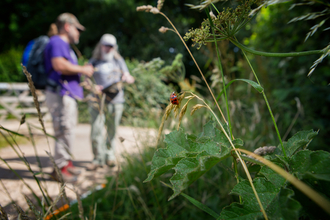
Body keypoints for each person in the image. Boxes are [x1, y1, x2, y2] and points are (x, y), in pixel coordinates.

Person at [44, 13, 94, 183]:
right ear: (67, 26)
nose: (79, 32)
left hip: (66, 94)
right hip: (60, 94)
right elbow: (59, 65)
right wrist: (83, 70)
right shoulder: (58, 42)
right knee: (63, 130)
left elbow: (68, 69)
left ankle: (66, 164)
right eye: (77, 29)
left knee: (68, 130)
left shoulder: (65, 46)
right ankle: (59, 169)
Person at [86, 34, 134, 171]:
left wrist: (127, 77)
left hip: (115, 100)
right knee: (96, 129)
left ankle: (110, 156)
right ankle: (97, 158)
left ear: (115, 48)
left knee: (112, 130)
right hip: (97, 100)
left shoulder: (118, 61)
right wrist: (92, 87)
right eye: (106, 45)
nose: (108, 48)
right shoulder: (94, 61)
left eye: (111, 46)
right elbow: (86, 79)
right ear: (100, 45)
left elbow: (127, 75)